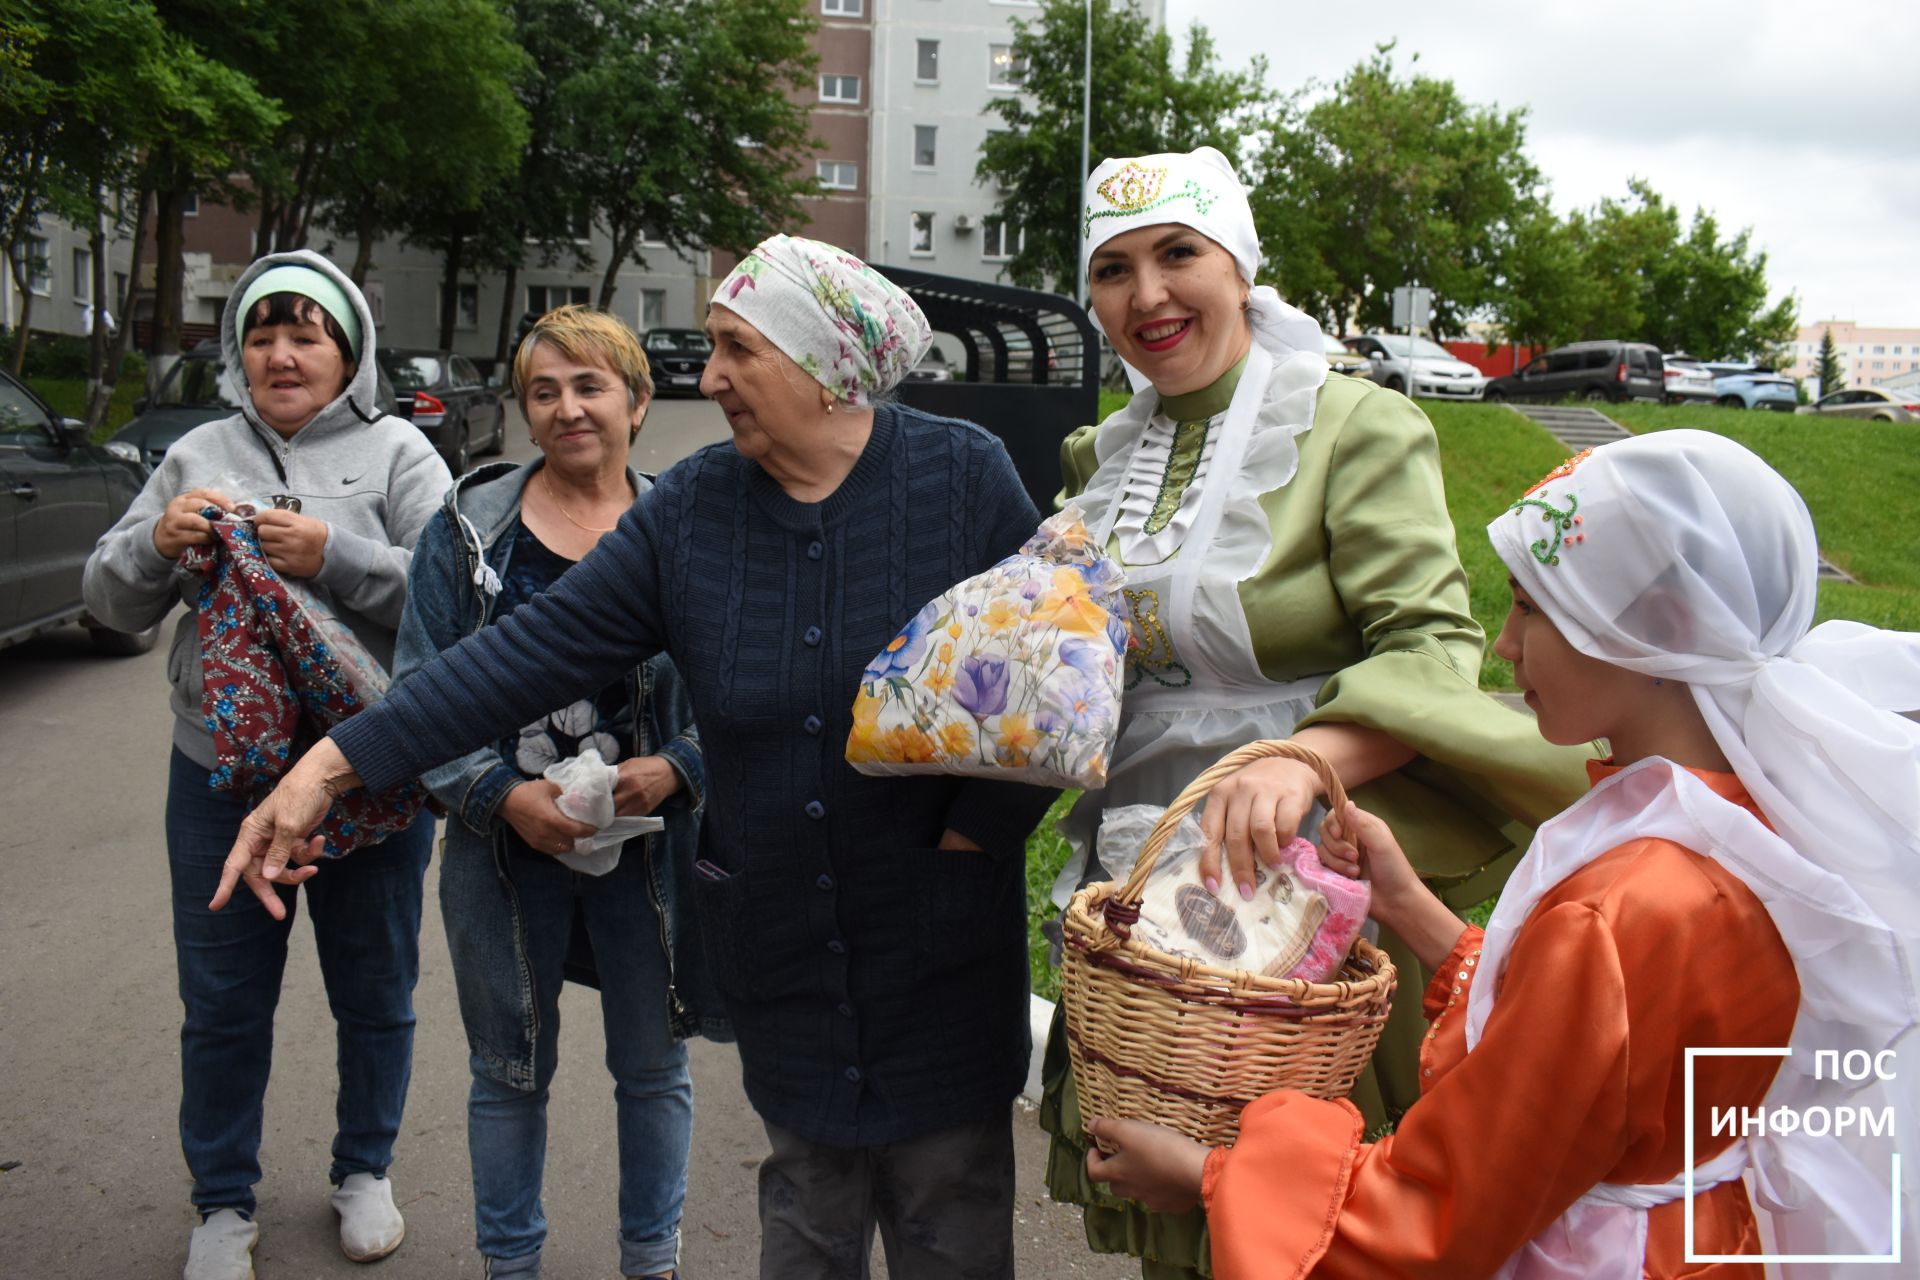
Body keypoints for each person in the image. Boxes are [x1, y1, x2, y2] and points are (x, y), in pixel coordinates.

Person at [215, 235, 1060, 1279]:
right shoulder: (694, 510)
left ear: (823, 359)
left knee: (951, 1226)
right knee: (805, 1221)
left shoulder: (960, 477)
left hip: (940, 952)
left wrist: (974, 838)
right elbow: (516, 656)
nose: (709, 379)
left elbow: (1057, 681)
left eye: (736, 350)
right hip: (787, 953)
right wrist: (327, 768)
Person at [1077, 430, 1920, 1278]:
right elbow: (1604, 1044)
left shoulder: (1628, 901)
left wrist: (1213, 1175)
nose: (1507, 644)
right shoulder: (1754, 821)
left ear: (1644, 628)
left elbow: (1443, 1207)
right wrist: (1405, 902)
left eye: (1530, 606)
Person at [1037, 145, 1596, 1276]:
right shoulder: (1097, 459)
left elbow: (1433, 644)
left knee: (1312, 1219)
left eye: (1178, 253)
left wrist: (1301, 756)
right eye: (1112, 268)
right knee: (1177, 1200)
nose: (1146, 295)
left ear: (1238, 264)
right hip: (1150, 881)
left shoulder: (1351, 425)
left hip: (1319, 890)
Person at [81, 250, 450, 1280]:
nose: (283, 354)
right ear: (238, 348)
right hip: (220, 778)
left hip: (367, 771)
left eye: (308, 333)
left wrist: (331, 553)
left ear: (347, 349)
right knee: (223, 999)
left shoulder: (401, 456)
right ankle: (221, 1202)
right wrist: (156, 539)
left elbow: (456, 598)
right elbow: (108, 602)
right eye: (263, 333)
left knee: (376, 988)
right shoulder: (195, 452)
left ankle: (364, 1169)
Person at [392, 305, 722, 1279]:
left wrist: (679, 767)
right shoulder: (466, 531)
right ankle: (511, 1264)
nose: (569, 407)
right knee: (507, 1072)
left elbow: (744, 688)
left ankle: (649, 1261)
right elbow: (418, 692)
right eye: (545, 390)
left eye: (590, 385)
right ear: (525, 410)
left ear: (638, 398)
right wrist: (496, 792)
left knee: (653, 1070)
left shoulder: (690, 528)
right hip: (503, 854)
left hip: (648, 857)